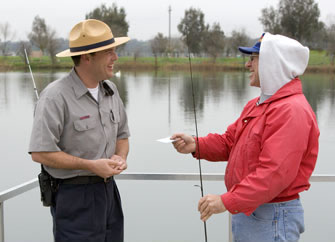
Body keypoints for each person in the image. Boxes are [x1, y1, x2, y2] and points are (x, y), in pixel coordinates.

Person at [172, 33, 319, 242]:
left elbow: (273, 174)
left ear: (272, 64)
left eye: (253, 59)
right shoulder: (258, 105)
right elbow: (230, 142)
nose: (247, 65)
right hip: (251, 212)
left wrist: (226, 201)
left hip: (272, 217)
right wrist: (196, 144)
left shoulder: (291, 110)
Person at [29, 19, 130, 242]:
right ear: (87, 57)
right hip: (73, 198)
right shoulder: (55, 97)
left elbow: (122, 135)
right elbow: (40, 153)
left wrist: (120, 157)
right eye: (109, 51)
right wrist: (90, 165)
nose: (115, 57)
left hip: (109, 194)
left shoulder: (110, 90)